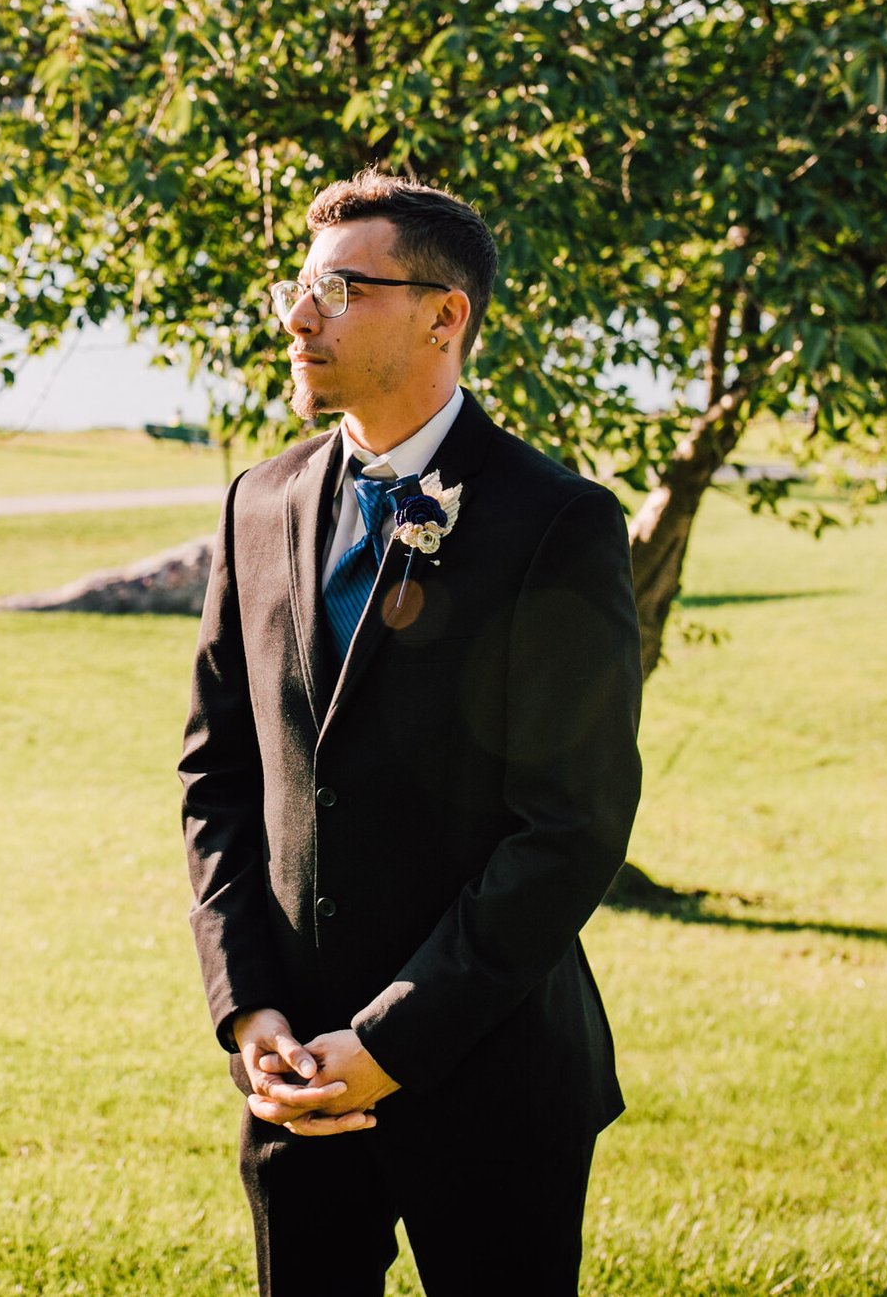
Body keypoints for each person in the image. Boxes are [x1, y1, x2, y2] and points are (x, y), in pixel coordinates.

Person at [178, 169, 644, 1296]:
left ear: (446, 314)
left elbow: (568, 826)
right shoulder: (260, 500)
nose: (298, 317)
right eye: (298, 287)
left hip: (492, 1078)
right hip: (292, 1082)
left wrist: (389, 1043)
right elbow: (218, 774)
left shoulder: (556, 524)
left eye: (339, 288)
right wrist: (249, 1007)